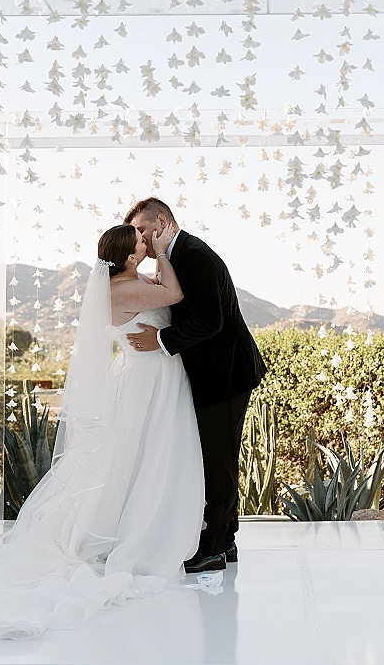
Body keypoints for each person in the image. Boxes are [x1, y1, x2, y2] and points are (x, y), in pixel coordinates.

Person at [0, 224, 205, 640]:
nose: (146, 239)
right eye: (141, 240)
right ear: (130, 255)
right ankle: (137, 534)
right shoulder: (124, 289)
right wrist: (166, 252)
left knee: (144, 456)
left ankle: (140, 523)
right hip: (148, 379)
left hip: (153, 374)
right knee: (146, 455)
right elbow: (173, 296)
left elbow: (162, 294)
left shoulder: (131, 280)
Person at [125, 198, 267, 573]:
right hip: (217, 373)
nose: (137, 238)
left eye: (141, 229)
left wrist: (160, 340)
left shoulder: (193, 255)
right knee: (220, 458)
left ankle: (214, 549)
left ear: (163, 223)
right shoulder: (177, 256)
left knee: (217, 461)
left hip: (225, 373)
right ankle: (227, 541)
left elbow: (210, 322)